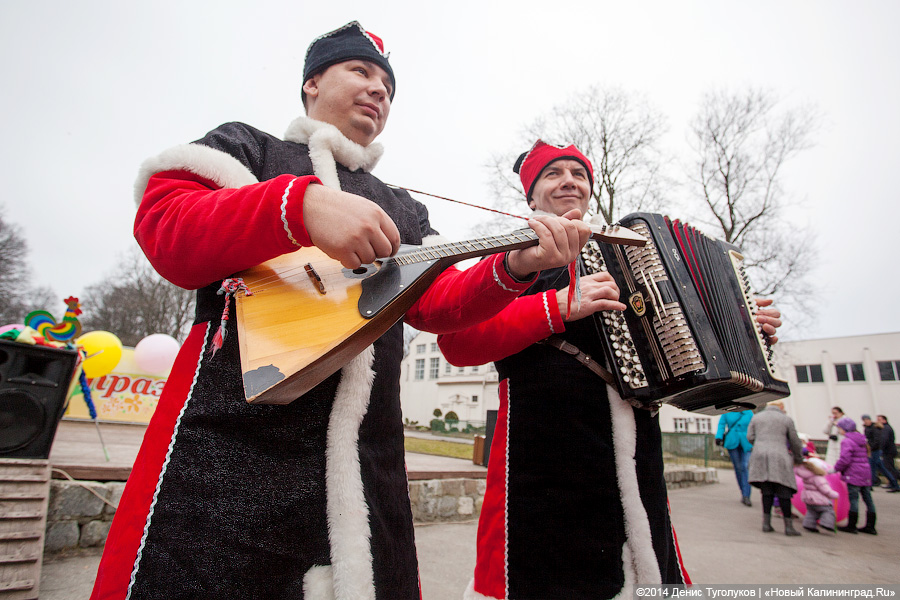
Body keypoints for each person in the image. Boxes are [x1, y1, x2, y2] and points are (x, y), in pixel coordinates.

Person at [90, 24, 590, 600]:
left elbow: (438, 302)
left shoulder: (403, 206)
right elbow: (165, 227)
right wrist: (296, 205)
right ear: (311, 83)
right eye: (360, 72)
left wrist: (516, 265)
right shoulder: (249, 148)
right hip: (229, 444)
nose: (377, 90)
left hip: (369, 465)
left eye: (387, 85)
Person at [438, 140, 783, 599]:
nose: (569, 181)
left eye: (578, 174)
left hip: (638, 457)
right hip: (542, 458)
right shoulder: (515, 257)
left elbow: (685, 353)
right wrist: (555, 305)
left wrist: (744, 329)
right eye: (553, 174)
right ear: (531, 196)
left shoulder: (631, 254)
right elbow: (457, 342)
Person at [747, 400, 804, 536]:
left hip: (760, 455)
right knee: (783, 491)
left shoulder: (756, 417)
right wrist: (798, 458)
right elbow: (795, 441)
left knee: (767, 491)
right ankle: (788, 527)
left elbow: (750, 436)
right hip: (780, 456)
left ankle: (766, 524)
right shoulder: (786, 419)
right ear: (781, 407)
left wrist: (761, 444)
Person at [834, 418, 878, 534]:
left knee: (853, 499)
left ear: (844, 428)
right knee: (868, 499)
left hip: (853, 473)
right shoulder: (862, 439)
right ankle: (871, 526)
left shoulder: (846, 441)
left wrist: (835, 469)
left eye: (839, 428)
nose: (839, 430)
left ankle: (852, 525)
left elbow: (845, 459)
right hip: (865, 472)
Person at [794, 449, 839, 533]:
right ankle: (826, 524)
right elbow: (824, 489)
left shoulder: (807, 476)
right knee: (828, 511)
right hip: (819, 499)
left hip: (808, 498)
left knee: (812, 512)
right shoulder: (818, 478)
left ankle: (808, 524)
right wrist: (833, 494)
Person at [715, 410, 754, 506]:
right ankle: (743, 491)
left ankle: (746, 495)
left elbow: (754, 426)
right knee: (738, 468)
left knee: (745, 466)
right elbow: (721, 424)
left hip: (746, 442)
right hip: (732, 441)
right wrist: (718, 437)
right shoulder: (727, 411)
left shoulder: (748, 412)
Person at [876, 414, 900, 492]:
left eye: (879, 419)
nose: (877, 421)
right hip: (888, 451)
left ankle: (894, 484)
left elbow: (884, 440)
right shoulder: (884, 428)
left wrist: (880, 449)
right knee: (888, 467)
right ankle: (891, 482)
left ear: (884, 420)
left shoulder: (886, 428)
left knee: (889, 467)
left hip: (888, 451)